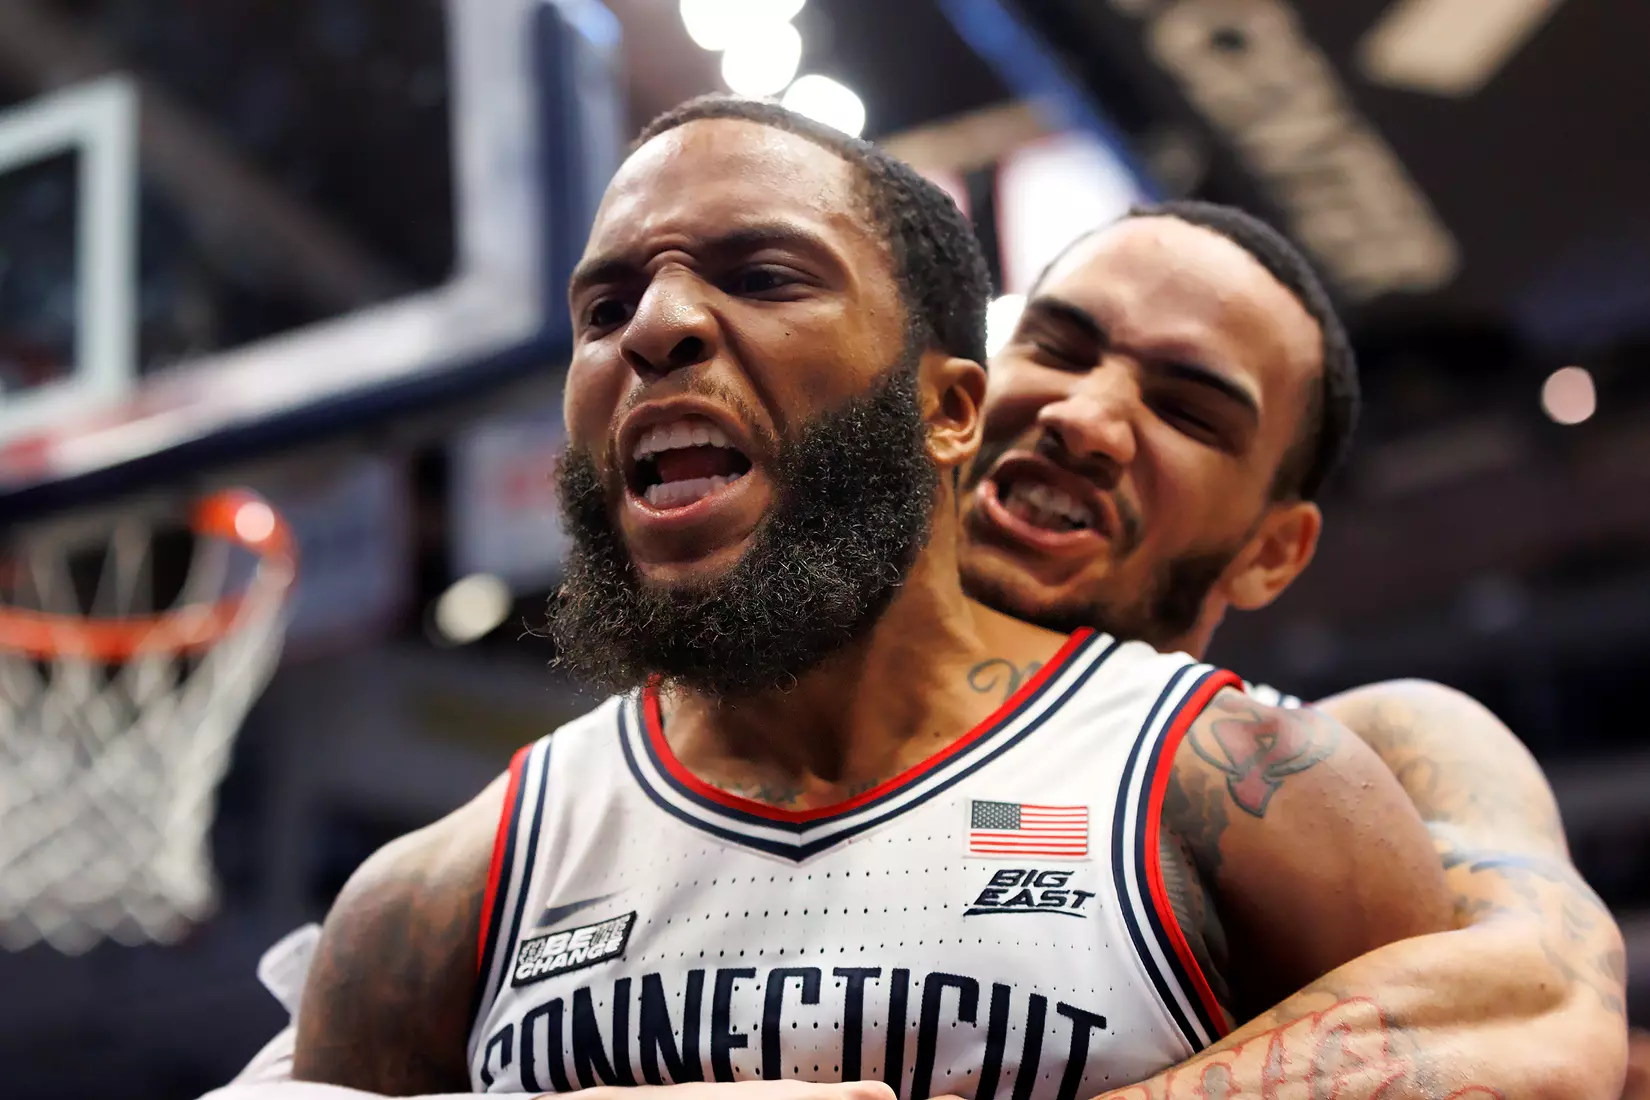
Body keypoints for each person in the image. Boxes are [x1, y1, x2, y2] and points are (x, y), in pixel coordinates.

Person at [269, 96, 1454, 1100]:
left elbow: (1532, 1031)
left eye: (764, 276)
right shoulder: (433, 895)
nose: (659, 326)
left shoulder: (1257, 790)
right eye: (604, 306)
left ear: (951, 409)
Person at [956, 201, 1630, 1097]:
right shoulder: (732, 699)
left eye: (1188, 411)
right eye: (1059, 348)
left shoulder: (1367, 750)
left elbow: (1541, 1019)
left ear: (1272, 551)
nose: (1086, 416)